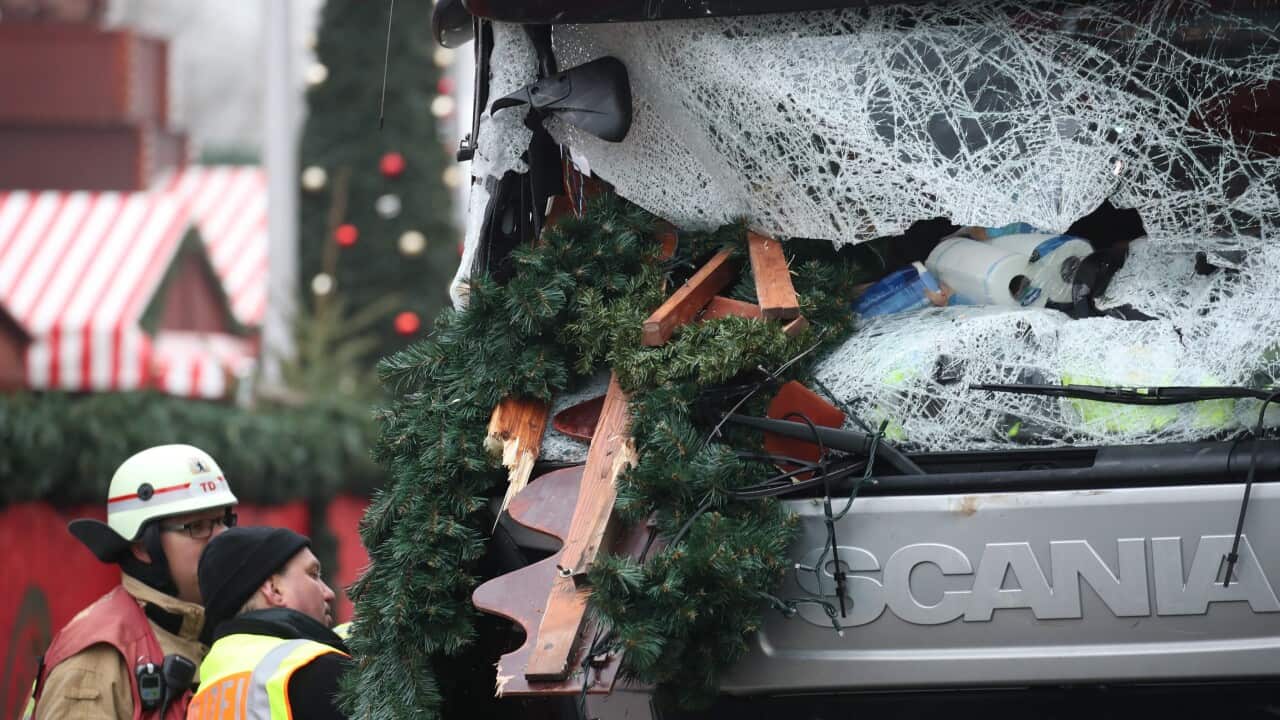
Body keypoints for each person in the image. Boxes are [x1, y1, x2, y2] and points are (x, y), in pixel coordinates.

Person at [28, 444, 239, 720]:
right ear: (142, 546)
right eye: (198, 526)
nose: (222, 538)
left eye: (223, 521)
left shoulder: (217, 631)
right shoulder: (95, 663)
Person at [187, 526, 350, 719]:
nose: (328, 593)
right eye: (313, 574)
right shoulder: (316, 668)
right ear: (274, 590)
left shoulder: (208, 683)